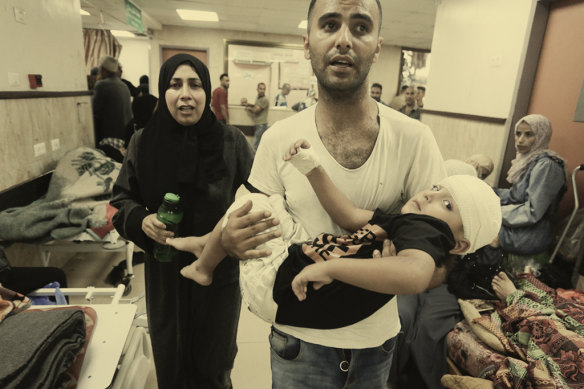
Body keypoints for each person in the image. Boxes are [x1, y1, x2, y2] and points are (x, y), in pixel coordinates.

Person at [219, 0, 448, 387]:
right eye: (329, 25)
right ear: (308, 43)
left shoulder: (414, 140)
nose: (344, 40)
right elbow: (250, 223)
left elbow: (442, 262)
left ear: (377, 46)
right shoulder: (278, 139)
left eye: (360, 27)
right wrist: (230, 239)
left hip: (376, 343)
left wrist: (412, 266)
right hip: (297, 340)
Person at [174, 141, 501, 330]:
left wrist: (329, 268)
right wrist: (313, 168)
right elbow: (347, 216)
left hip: (282, 286)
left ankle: (205, 264)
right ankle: (209, 244)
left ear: (459, 244)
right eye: (435, 188)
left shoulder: (428, 232)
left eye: (446, 204)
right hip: (295, 268)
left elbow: (416, 275)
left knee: (250, 201)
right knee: (265, 200)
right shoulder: (407, 221)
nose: (430, 196)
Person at [110, 53, 254, 389]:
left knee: (215, 360)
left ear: (207, 92)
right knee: (171, 358)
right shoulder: (142, 143)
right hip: (165, 273)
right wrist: (142, 220)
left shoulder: (231, 142)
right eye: (175, 85)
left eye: (195, 84)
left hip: (220, 273)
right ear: (163, 92)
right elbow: (120, 203)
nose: (185, 94)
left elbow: (264, 193)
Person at [494, 114, 567, 274]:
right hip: (521, 226)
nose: (520, 140)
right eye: (518, 133)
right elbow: (515, 196)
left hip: (532, 233)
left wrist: (493, 212)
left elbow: (532, 212)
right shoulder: (530, 160)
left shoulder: (547, 166)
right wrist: (487, 192)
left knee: (481, 226)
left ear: (541, 136)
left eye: (528, 134)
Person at [92, 56, 132, 163]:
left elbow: (96, 114)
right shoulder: (124, 86)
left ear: (104, 70)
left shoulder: (102, 85)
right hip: (123, 141)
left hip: (109, 143)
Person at [241, 82, 269, 150]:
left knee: (255, 145)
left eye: (264, 89)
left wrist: (248, 108)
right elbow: (256, 106)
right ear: (257, 89)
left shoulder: (265, 99)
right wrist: (247, 104)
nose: (262, 90)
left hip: (261, 125)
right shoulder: (259, 98)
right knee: (257, 144)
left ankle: (253, 160)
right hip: (258, 125)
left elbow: (256, 110)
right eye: (260, 88)